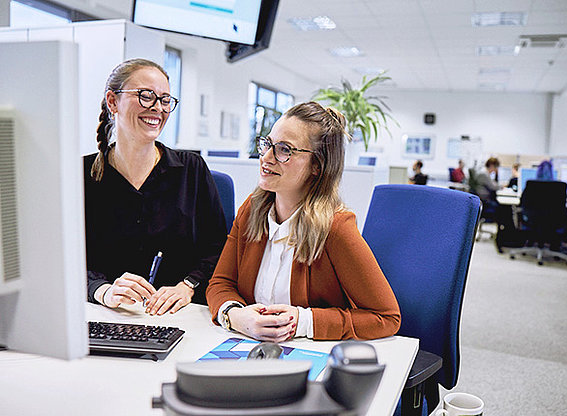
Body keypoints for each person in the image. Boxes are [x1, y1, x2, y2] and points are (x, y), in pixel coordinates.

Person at [206, 101, 400, 342]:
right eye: (268, 144)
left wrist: (303, 321)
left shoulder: (336, 227)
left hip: (308, 360)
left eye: (284, 149)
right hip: (247, 349)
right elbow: (220, 283)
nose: (266, 157)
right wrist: (234, 316)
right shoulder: (252, 210)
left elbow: (386, 317)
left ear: (317, 166)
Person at [84, 58, 227, 316]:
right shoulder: (82, 176)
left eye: (164, 100)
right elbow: (63, 259)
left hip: (180, 315)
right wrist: (103, 290)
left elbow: (219, 249)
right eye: (146, 96)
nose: (157, 108)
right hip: (103, 314)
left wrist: (188, 285)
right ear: (113, 101)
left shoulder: (191, 170)